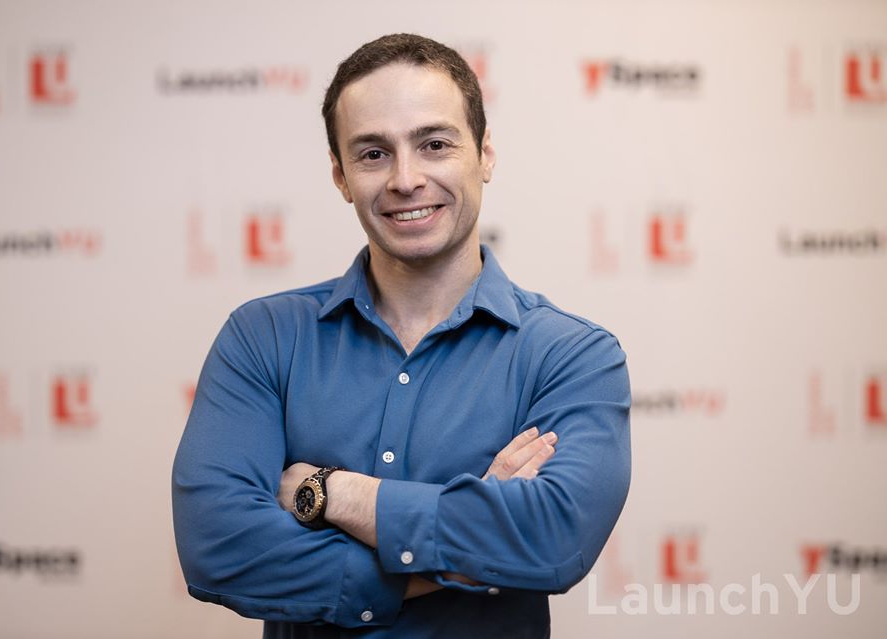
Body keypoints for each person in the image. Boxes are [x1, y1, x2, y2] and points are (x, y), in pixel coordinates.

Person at [172, 33, 631, 638]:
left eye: (434, 144)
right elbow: (220, 547)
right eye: (373, 153)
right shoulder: (264, 337)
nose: (406, 179)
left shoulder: (572, 355)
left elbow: (554, 540)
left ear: (485, 155)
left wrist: (331, 493)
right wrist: (459, 554)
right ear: (340, 176)